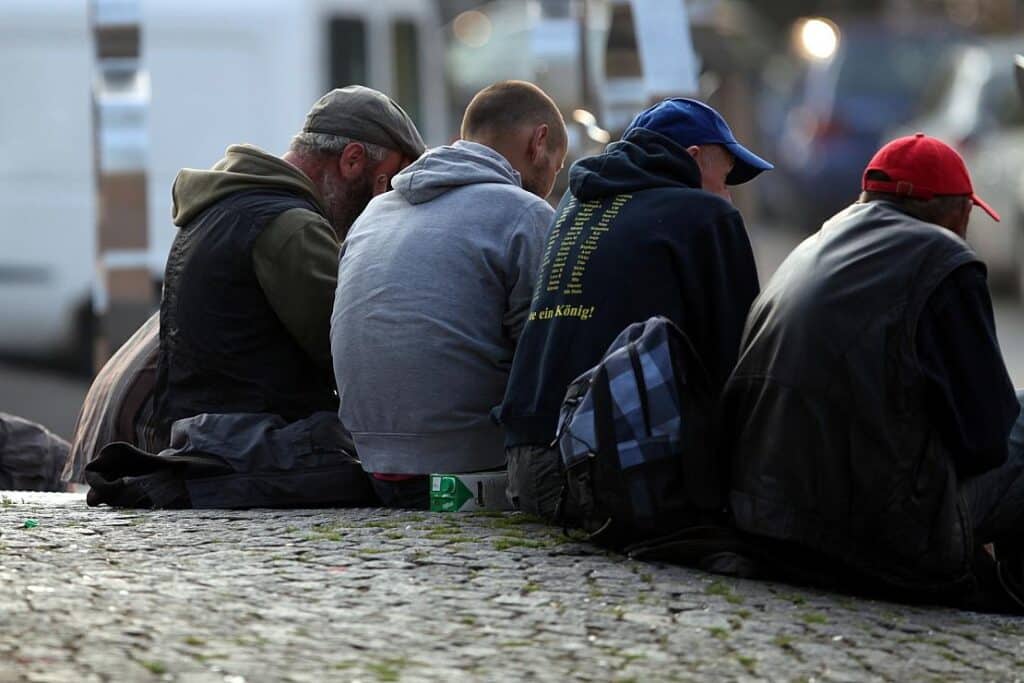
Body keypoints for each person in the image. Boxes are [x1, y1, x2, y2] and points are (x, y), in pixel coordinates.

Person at [722, 133, 1024, 609]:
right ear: (956, 211)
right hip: (876, 542)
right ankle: (1009, 589)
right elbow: (985, 440)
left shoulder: (812, 245)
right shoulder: (945, 259)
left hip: (764, 525)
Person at [498, 98, 772, 519]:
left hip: (524, 467)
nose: (728, 193)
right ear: (693, 159)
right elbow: (739, 366)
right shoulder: (706, 215)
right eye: (726, 176)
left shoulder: (573, 203)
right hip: (605, 475)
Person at [330, 80, 567, 508]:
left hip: (370, 463)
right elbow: (546, 357)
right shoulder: (525, 213)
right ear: (539, 142)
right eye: (557, 165)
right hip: (470, 468)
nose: (552, 182)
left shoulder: (373, 213)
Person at [149, 86, 424, 447]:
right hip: (259, 451)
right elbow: (357, 355)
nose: (384, 202)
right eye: (386, 184)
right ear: (353, 160)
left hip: (208, 441)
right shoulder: (291, 226)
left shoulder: (219, 208)